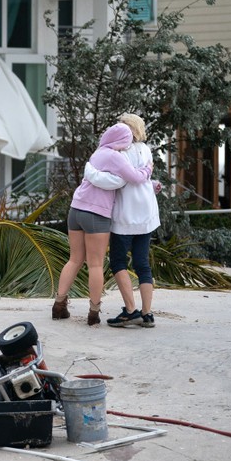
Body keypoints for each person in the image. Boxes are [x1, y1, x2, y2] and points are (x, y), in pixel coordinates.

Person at [51, 123, 152, 325]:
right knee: (95, 264)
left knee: (74, 259)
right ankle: (93, 312)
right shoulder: (116, 157)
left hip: (76, 209)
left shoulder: (98, 153)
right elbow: (134, 177)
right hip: (96, 214)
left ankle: (59, 305)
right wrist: (148, 169)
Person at [83, 113, 161, 328]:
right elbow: (142, 178)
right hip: (147, 214)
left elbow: (117, 181)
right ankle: (147, 314)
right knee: (143, 264)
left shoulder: (116, 152)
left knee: (118, 262)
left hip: (125, 215)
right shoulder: (146, 150)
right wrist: (151, 181)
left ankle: (129, 310)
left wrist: (89, 171)